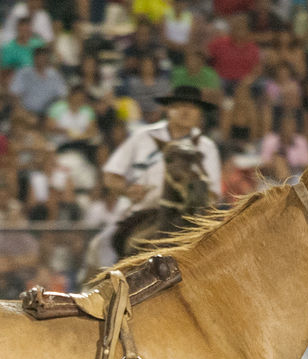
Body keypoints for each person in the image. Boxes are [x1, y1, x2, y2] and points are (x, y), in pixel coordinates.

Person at [92, 85, 221, 268]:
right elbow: (111, 175)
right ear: (168, 109)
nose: (185, 111)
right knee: (103, 245)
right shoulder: (143, 136)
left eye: (192, 107)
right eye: (179, 105)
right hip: (139, 212)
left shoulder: (206, 147)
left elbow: (213, 194)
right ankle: (102, 290)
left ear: (200, 113)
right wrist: (127, 190)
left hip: (187, 218)